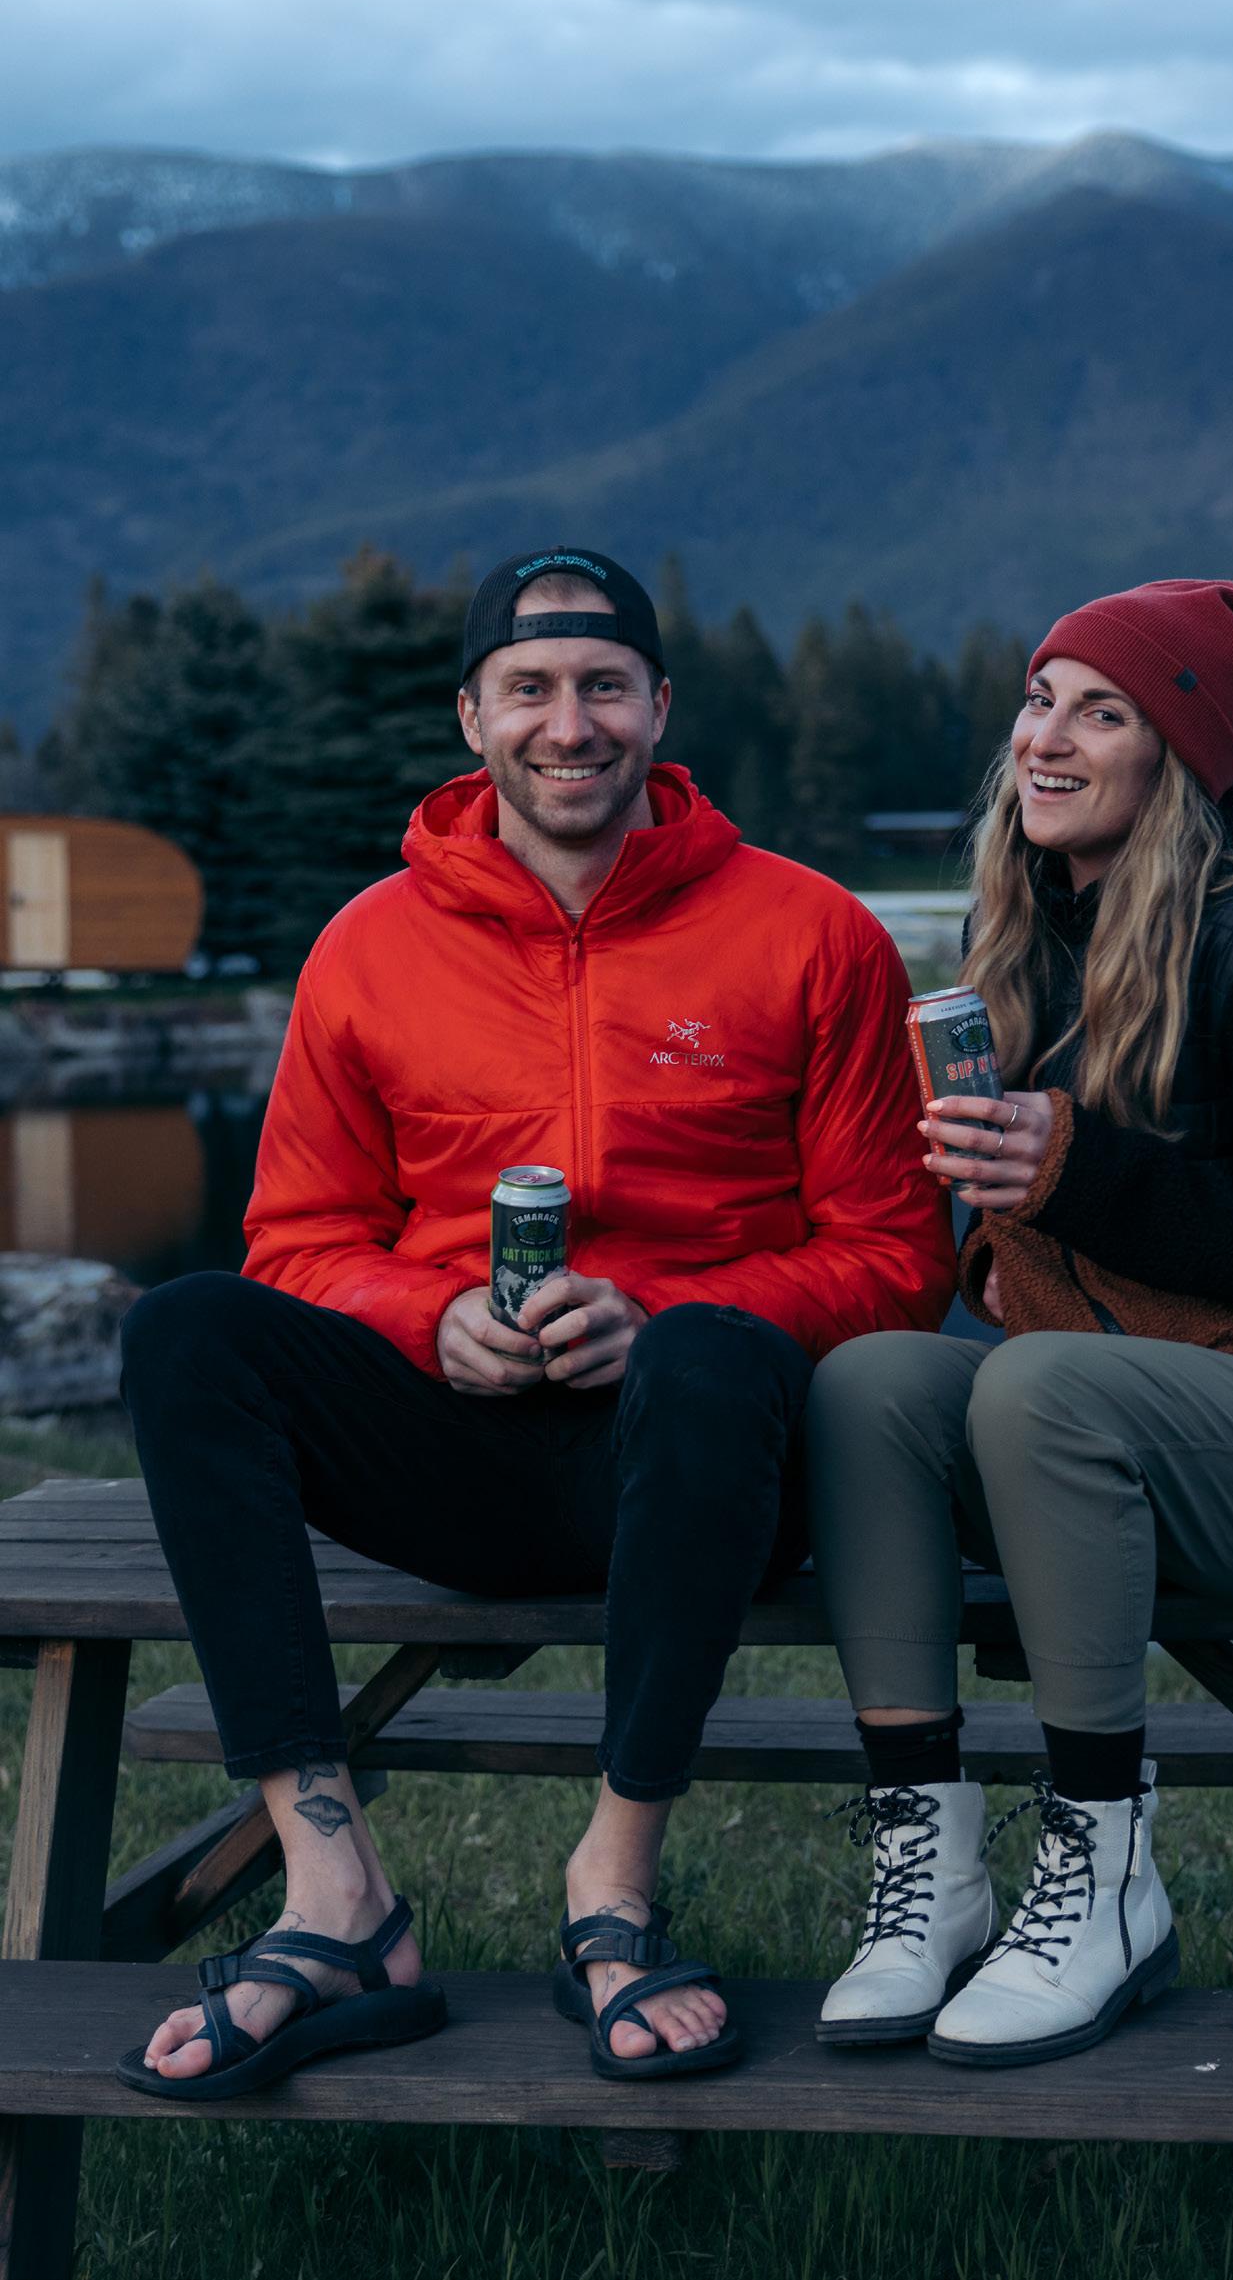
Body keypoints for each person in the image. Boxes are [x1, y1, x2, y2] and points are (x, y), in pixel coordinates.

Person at [116, 546, 955, 2098]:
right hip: (454, 1454)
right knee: (184, 1332)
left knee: (706, 1352)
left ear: (660, 706)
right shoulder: (368, 946)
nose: (569, 725)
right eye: (530, 689)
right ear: (471, 716)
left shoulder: (813, 933)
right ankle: (335, 1892)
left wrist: (667, 1312)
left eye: (603, 686)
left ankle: (611, 1885)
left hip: (708, 1460)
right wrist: (425, 1314)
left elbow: (899, 1258)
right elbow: (293, 1241)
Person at [807, 576, 1233, 2068]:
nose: (1046, 737)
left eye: (1103, 712)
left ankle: (1103, 1874)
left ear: (1182, 754)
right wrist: (995, 1212)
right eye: (1040, 700)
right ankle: (930, 1866)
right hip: (1120, 1440)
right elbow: (1047, 1240)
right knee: (870, 1384)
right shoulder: (1029, 938)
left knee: (1040, 1386)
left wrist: (1076, 1172)